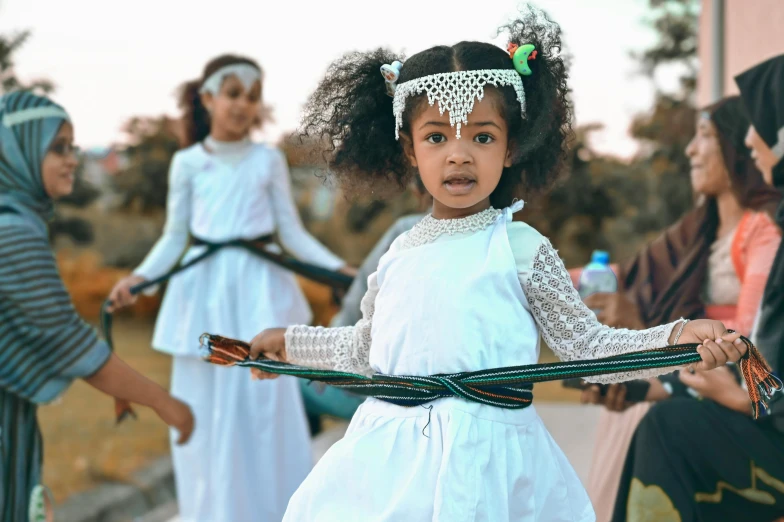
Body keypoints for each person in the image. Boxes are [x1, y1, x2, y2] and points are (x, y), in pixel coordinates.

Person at [248, 9, 748, 521]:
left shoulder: (521, 247)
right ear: (409, 149)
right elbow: (363, 348)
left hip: (489, 470)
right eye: (437, 137)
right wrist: (290, 342)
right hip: (390, 467)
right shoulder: (398, 253)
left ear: (511, 148)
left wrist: (677, 339)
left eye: (482, 137)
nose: (459, 155)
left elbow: (588, 346)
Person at [107, 54, 353, 522]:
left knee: (265, 409)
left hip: (261, 293)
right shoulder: (187, 164)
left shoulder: (267, 159)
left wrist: (342, 268)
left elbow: (292, 233)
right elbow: (174, 236)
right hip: (203, 296)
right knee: (207, 407)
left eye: (253, 97)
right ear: (208, 99)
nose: (244, 105)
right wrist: (138, 279)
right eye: (234, 94)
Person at [578, 96, 782, 521]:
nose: (690, 149)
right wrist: (534, 277)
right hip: (697, 371)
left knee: (661, 420)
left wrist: (646, 330)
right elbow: (626, 271)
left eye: (704, 136)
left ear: (737, 147)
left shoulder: (763, 232)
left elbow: (749, 340)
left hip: (725, 375)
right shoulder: (697, 229)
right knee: (634, 397)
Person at [0, 91, 194, 522]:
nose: (72, 159)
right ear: (17, 152)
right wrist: (165, 403)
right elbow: (70, 344)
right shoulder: (13, 233)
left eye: (72, 146)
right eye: (57, 149)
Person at [301, 180, 432, 429]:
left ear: (417, 192)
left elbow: (356, 303)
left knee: (292, 383)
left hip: (394, 396)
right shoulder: (508, 236)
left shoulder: (406, 231)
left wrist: (326, 361)